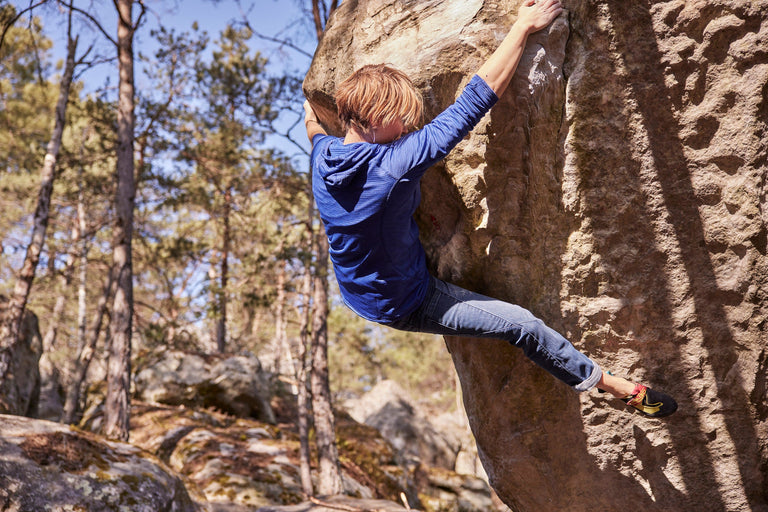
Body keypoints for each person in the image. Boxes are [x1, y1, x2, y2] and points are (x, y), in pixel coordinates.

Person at [303, 0, 677, 418]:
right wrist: (521, 29)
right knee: (521, 325)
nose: (409, 127)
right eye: (401, 119)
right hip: (408, 301)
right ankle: (613, 386)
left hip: (358, 290)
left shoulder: (324, 157)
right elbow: (473, 102)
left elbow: (313, 128)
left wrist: (308, 106)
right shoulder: (395, 165)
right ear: (373, 117)